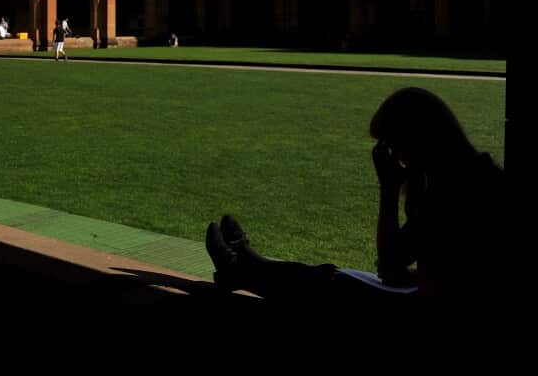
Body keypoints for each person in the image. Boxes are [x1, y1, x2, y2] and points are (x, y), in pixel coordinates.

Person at [204, 87, 506, 304]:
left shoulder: (454, 188)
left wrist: (388, 189)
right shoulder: (472, 172)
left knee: (328, 284)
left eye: (395, 145)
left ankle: (238, 269)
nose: (397, 157)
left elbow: (390, 267)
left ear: (417, 138)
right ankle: (246, 263)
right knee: (332, 277)